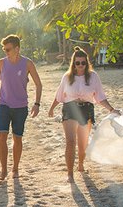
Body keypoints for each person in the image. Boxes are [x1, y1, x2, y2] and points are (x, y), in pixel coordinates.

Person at [48, 47, 117, 182]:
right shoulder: (67, 77)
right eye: (77, 63)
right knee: (70, 141)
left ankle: (80, 163)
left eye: (83, 63)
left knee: (82, 143)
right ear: (73, 63)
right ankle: (70, 174)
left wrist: (111, 109)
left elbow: (100, 97)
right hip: (70, 108)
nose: (80, 66)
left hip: (86, 109)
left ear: (87, 63)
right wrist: (51, 109)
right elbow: (59, 95)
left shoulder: (93, 77)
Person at [0, 34, 43, 180]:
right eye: (4, 49)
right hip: (4, 105)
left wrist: (37, 103)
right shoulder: (2, 63)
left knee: (17, 138)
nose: (6, 52)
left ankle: (15, 168)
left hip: (21, 107)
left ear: (17, 48)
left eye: (8, 49)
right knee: (1, 136)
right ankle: (3, 170)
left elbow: (38, 84)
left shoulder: (28, 64)